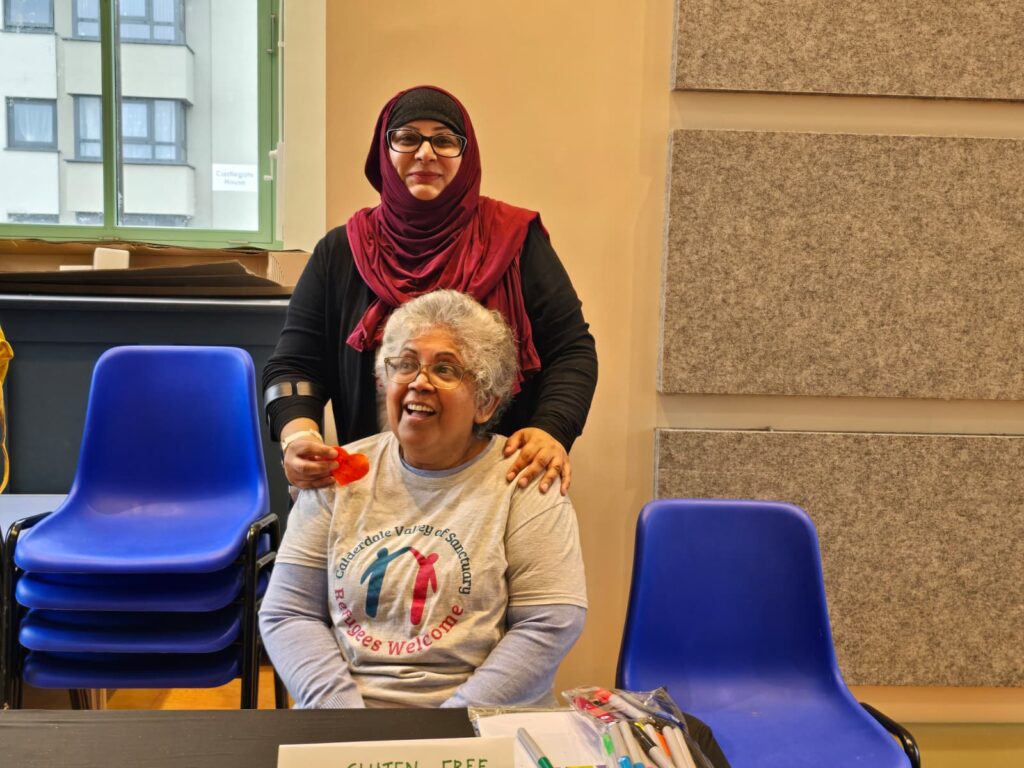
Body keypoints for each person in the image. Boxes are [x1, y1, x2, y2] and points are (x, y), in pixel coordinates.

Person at [259, 290, 587, 708]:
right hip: (347, 719)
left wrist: (446, 730)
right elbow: (288, 613)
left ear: (485, 402)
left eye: (445, 369)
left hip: (482, 725)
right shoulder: (339, 472)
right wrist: (344, 721)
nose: (418, 381)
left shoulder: (522, 481)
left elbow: (550, 622)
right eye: (406, 364)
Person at [263, 85, 597, 495]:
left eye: (444, 140)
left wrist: (552, 431)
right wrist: (299, 438)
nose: (425, 153)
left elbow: (572, 351)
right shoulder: (342, 250)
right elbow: (294, 366)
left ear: (467, 153)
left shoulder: (514, 240)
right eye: (406, 138)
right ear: (383, 152)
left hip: (498, 483)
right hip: (376, 485)